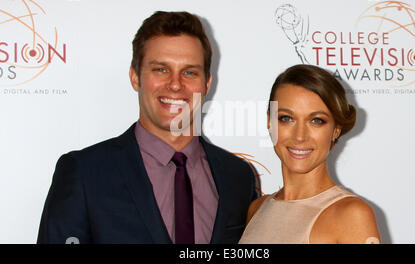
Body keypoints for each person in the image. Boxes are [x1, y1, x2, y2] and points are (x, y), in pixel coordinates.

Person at [37, 11, 258, 244]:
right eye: (161, 69)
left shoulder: (238, 177)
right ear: (135, 77)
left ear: (206, 84)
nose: (175, 84)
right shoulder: (84, 174)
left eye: (189, 72)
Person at [239, 65, 380, 244]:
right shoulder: (256, 209)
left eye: (316, 121)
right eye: (286, 118)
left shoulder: (351, 215)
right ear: (270, 121)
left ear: (336, 129)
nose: (300, 136)